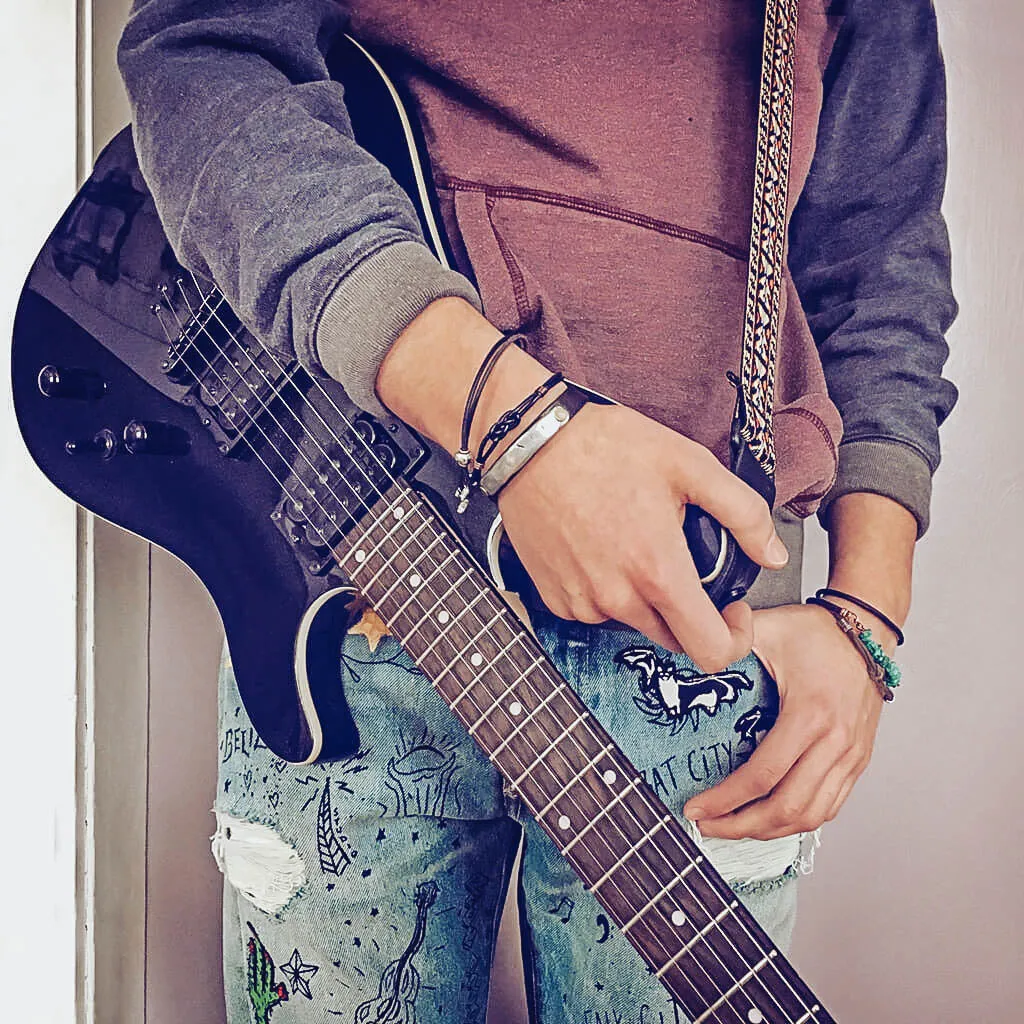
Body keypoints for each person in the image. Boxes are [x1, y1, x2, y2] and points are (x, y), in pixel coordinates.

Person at [118, 1, 958, 1021]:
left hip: (702, 638)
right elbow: (203, 59)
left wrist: (868, 619)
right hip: (357, 586)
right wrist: (515, 427)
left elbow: (882, 257)